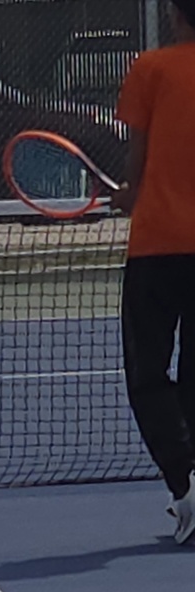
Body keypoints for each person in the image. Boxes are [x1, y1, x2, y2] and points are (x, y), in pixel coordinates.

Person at [110, 0, 195, 544]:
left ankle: (185, 488)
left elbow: (136, 167)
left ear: (175, 15)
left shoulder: (150, 68)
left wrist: (127, 193)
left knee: (147, 377)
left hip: (157, 249)